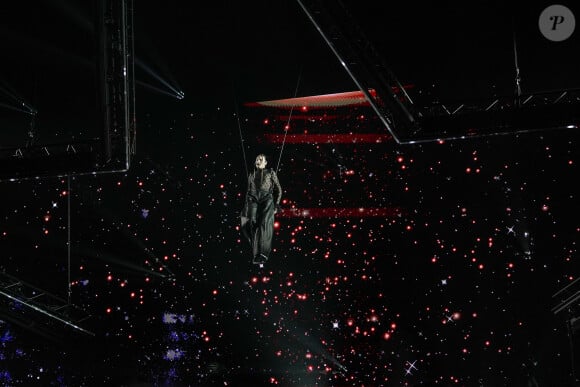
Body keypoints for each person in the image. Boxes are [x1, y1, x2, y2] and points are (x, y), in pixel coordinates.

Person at [240, 154, 282, 264]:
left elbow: (279, 189)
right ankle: (256, 251)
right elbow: (248, 191)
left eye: (261, 159)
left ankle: (262, 253)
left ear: (265, 162)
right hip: (253, 199)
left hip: (266, 199)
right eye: (257, 158)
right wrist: (246, 207)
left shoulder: (270, 172)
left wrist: (277, 204)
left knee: (263, 224)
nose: (258, 160)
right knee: (250, 224)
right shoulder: (251, 174)